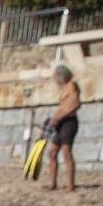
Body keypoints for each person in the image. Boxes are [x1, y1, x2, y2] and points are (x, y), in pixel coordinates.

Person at [45, 62, 81, 192]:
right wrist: (55, 118)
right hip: (60, 122)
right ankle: (52, 183)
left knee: (66, 153)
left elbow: (74, 104)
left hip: (69, 122)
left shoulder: (72, 86)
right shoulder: (64, 88)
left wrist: (58, 117)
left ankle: (70, 186)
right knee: (52, 152)